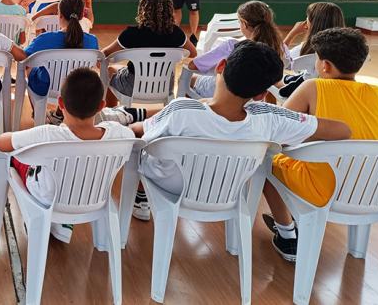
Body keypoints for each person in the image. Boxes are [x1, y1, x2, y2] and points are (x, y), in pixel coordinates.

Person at [129, 40, 350, 221]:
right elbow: (342, 130)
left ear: (220, 66)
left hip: (170, 187)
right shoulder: (270, 118)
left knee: (142, 146)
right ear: (261, 94)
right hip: (228, 190)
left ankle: (141, 197)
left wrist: (127, 124)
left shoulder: (181, 111)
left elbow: (138, 132)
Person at [263, 27, 378, 262]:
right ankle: (355, 247)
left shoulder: (312, 87)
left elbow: (278, 130)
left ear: (325, 65)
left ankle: (286, 233)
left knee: (266, 162)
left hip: (323, 190)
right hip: (372, 189)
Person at [0, 67, 135, 243]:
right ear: (102, 106)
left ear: (61, 104)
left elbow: (2, 142)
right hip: (93, 197)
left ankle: (41, 221)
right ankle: (62, 225)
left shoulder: (48, 134)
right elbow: (133, 135)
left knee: (15, 158)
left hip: (48, 197)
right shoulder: (120, 135)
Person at [102, 0, 197, 106]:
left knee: (110, 71)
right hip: (165, 87)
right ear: (169, 5)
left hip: (133, 87)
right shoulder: (176, 33)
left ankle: (114, 115)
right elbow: (193, 53)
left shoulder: (131, 33)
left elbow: (104, 54)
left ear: (143, 5)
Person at [186, 0, 289, 98]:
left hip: (226, 93)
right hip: (257, 94)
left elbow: (193, 65)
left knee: (190, 79)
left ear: (244, 24)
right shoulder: (280, 47)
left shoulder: (233, 46)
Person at [24, 0, 99, 125]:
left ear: (59, 15)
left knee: (29, 66)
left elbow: (24, 58)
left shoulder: (45, 38)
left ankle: (38, 113)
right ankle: (59, 115)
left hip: (46, 88)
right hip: (78, 89)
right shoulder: (92, 41)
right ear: (82, 15)